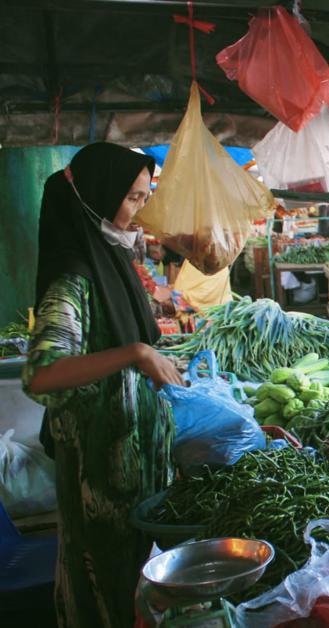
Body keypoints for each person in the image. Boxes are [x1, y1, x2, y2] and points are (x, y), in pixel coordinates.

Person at [22, 143, 184, 627]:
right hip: (100, 481)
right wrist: (136, 354)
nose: (140, 211)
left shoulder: (107, 261)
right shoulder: (71, 280)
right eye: (133, 198)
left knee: (135, 594)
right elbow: (43, 374)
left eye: (143, 196)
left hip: (132, 473)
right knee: (107, 597)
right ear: (97, 195)